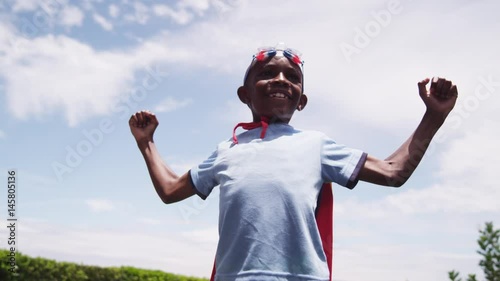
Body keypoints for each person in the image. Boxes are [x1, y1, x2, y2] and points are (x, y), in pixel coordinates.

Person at [129, 44, 458, 281]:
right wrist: (147, 144)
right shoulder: (226, 150)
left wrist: (432, 116)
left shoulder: (315, 145)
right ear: (245, 94)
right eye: (268, 73)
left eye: (293, 76)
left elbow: (392, 172)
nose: (282, 79)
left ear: (301, 100)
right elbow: (171, 190)